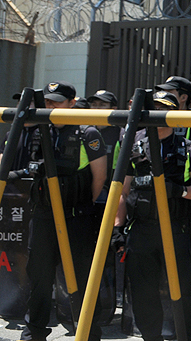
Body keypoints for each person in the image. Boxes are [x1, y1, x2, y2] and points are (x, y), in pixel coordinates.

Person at [115, 90, 191, 341]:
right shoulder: (132, 146)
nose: (156, 116)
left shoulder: (186, 148)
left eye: (162, 109)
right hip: (141, 229)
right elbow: (121, 193)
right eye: (152, 109)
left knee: (184, 289)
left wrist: (178, 191)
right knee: (142, 291)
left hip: (175, 228)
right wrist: (117, 228)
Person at [21, 81, 107, 341]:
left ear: (72, 103)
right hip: (44, 215)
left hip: (76, 217)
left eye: (57, 101)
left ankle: (88, 333)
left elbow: (99, 178)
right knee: (38, 278)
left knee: (80, 280)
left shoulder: (87, 133)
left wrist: (77, 205)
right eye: (47, 101)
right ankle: (33, 333)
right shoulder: (38, 128)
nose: (51, 106)